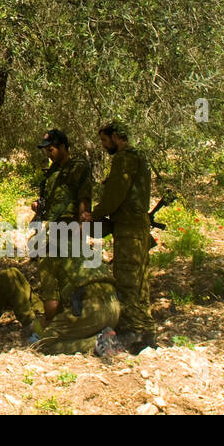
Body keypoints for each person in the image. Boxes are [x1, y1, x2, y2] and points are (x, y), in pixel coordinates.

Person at [82, 121, 155, 353]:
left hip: (129, 229)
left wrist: (95, 214)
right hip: (137, 226)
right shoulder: (138, 157)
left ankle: (133, 332)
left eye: (105, 141)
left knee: (127, 279)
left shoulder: (124, 159)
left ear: (115, 137)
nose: (104, 146)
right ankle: (146, 330)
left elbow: (116, 195)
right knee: (140, 278)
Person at [31, 129, 94, 321]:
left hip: (70, 227)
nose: (48, 154)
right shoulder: (52, 171)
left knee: (69, 271)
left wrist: (83, 224)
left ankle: (70, 315)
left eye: (51, 149)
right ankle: (55, 315)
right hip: (52, 226)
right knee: (50, 269)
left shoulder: (78, 167)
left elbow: (84, 195)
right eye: (46, 150)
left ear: (64, 148)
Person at [32, 271, 122, 356]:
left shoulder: (50, 259)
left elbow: (52, 304)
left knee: (44, 345)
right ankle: (105, 339)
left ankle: (96, 344)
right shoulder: (86, 254)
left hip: (90, 308)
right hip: (114, 307)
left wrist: (46, 321)